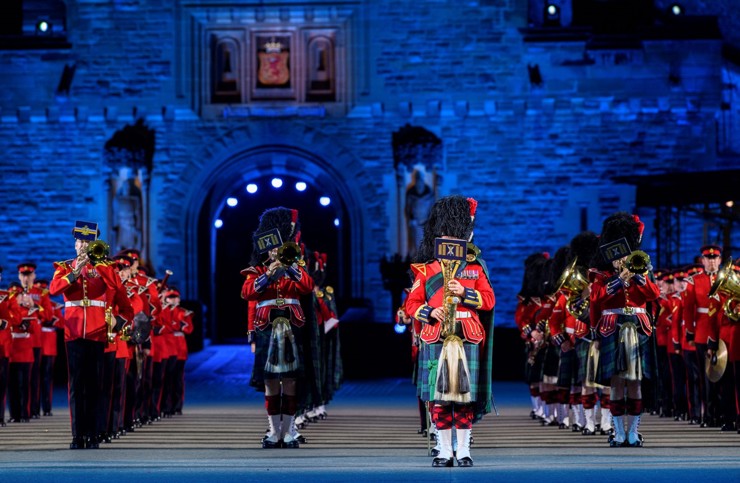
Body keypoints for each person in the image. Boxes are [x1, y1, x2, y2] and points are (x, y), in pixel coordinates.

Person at [405, 195, 495, 467]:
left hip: (467, 333)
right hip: (436, 335)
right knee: (439, 398)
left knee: (463, 397)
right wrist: (429, 312)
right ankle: (444, 450)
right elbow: (412, 303)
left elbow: (489, 301)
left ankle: (464, 449)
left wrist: (465, 293)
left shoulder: (475, 268)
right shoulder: (427, 268)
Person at [49, 221, 133, 449]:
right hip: (74, 332)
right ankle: (77, 435)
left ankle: (94, 434)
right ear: (75, 244)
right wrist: (75, 272)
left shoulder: (107, 269)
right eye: (81, 242)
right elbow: (53, 290)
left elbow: (126, 307)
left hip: (97, 333)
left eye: (88, 242)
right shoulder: (65, 268)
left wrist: (116, 323)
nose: (84, 246)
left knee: (96, 385)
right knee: (76, 386)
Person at [241, 207, 315, 448]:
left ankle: (290, 430)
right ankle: (274, 431)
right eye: (273, 248)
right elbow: (247, 293)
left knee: (292, 379)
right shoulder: (258, 270)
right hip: (267, 324)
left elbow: (307, 287)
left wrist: (291, 266)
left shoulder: (295, 266)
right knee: (270, 380)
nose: (276, 251)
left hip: (292, 323)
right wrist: (269, 275)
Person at [590, 212, 660, 447]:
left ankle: (634, 431)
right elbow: (596, 301)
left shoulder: (642, 269)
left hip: (638, 327)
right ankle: (619, 431)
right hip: (613, 327)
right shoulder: (601, 275)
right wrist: (617, 282)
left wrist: (641, 280)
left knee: (636, 382)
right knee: (617, 382)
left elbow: (654, 296)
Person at [682, 244, 723, 427]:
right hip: (702, 331)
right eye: (708, 258)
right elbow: (688, 310)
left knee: (724, 377)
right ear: (703, 261)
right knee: (704, 377)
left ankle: (722, 413)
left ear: (720, 260)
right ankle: (707, 414)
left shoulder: (727, 279)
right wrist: (690, 332)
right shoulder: (694, 280)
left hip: (722, 331)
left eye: (715, 258)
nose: (712, 261)